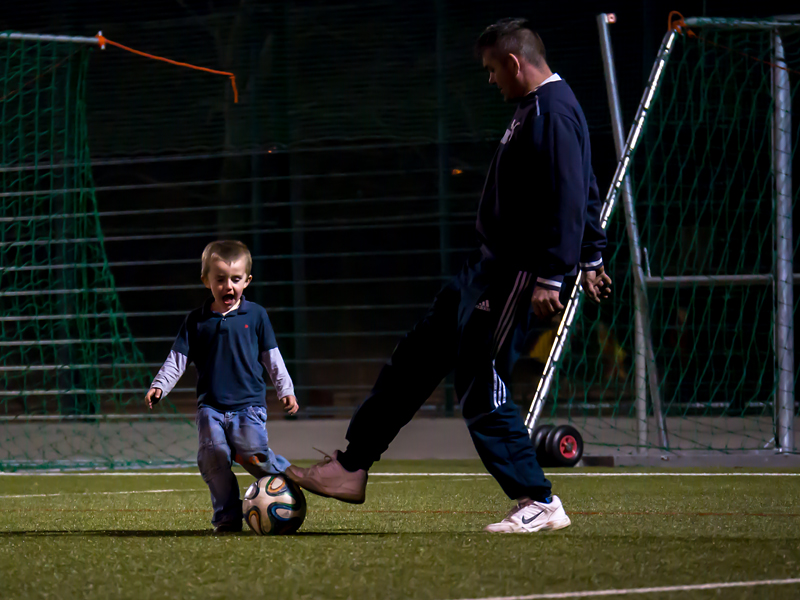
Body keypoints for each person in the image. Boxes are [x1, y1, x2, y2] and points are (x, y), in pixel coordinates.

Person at [286, 18, 611, 533]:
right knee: (415, 356)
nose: (490, 80)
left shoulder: (552, 109)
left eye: (490, 70)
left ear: (513, 63)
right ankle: (351, 466)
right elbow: (586, 187)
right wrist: (591, 258)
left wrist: (558, 274)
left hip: (516, 275)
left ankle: (538, 499)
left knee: (482, 385)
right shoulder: (535, 110)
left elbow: (574, 193)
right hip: (482, 270)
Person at [144, 240, 299, 533]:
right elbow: (177, 360)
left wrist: (286, 390)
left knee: (253, 453)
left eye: (236, 279)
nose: (228, 286)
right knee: (212, 457)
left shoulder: (256, 316)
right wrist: (159, 386)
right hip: (211, 408)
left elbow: (272, 358)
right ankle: (227, 517)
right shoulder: (196, 321)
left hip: (249, 407)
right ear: (206, 281)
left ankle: (289, 478)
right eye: (220, 279)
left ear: (247, 281)